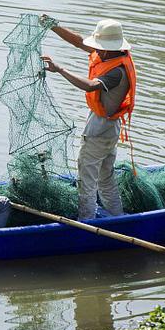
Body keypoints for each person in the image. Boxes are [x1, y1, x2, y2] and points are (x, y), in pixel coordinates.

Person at [40, 16, 137, 221]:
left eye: (100, 47)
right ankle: (117, 216)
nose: (96, 50)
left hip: (101, 129)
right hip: (109, 126)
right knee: (105, 176)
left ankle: (86, 221)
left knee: (86, 177)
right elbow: (78, 41)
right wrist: (53, 26)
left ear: (112, 47)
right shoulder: (109, 54)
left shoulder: (117, 71)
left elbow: (90, 85)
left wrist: (60, 69)